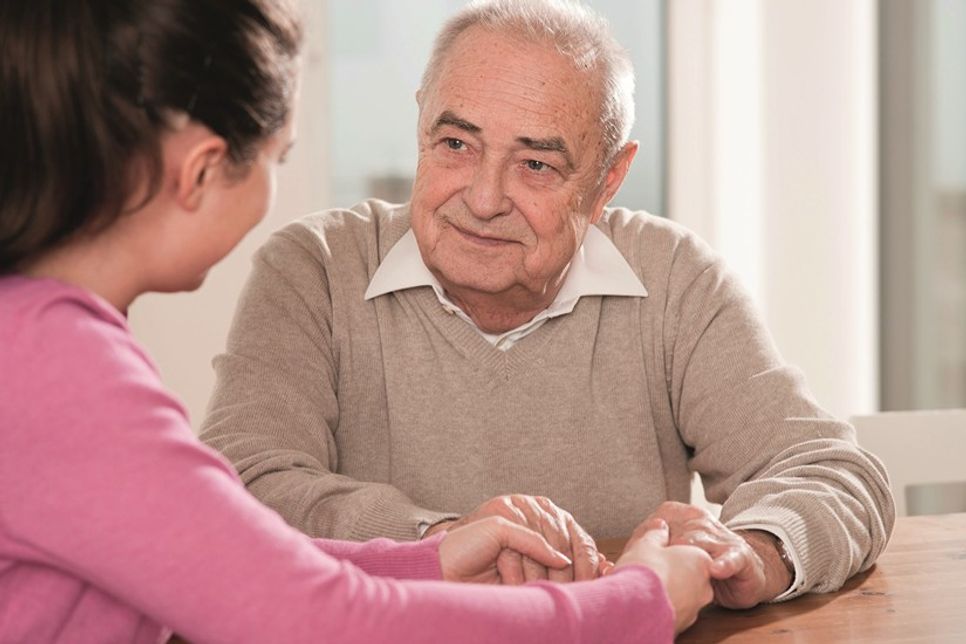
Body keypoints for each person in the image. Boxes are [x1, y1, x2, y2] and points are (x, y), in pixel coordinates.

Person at [0, 1, 718, 642]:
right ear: (202, 170)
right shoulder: (58, 372)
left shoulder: (38, 344)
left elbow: (219, 559)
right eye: (278, 157)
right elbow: (323, 620)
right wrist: (641, 599)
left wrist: (425, 558)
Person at [200, 0, 895, 612]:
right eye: (455, 144)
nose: (483, 197)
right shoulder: (314, 268)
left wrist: (751, 551)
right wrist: (441, 543)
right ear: (421, 126)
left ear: (607, 180)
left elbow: (833, 472)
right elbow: (240, 486)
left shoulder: (673, 278)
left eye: (535, 164)